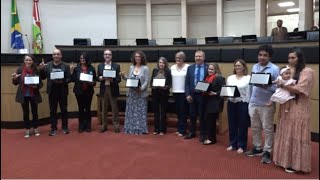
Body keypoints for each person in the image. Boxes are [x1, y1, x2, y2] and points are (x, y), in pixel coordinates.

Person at [273, 48, 314, 173]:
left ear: (300, 58)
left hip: (299, 107)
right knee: (286, 132)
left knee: (296, 134)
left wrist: (283, 85)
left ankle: (296, 164)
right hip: (286, 106)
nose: (290, 60)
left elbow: (300, 89)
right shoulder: (288, 70)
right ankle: (284, 160)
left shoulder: (308, 71)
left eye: (293, 58)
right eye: (289, 58)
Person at [245, 44, 280, 164]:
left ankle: (267, 151)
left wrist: (267, 86)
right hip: (254, 102)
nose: (262, 57)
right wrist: (249, 100)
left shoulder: (275, 69)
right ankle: (257, 147)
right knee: (255, 127)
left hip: (267, 104)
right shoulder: (255, 66)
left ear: (270, 56)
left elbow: (278, 88)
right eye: (260, 55)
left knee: (268, 128)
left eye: (265, 55)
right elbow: (252, 84)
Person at [39, 48, 71, 136]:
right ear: (52, 56)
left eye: (58, 54)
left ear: (61, 55)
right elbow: (43, 77)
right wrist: (41, 69)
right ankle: (53, 128)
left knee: (64, 110)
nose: (56, 56)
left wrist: (63, 81)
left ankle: (65, 127)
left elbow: (69, 78)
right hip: (52, 91)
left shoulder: (66, 66)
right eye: (54, 54)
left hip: (62, 91)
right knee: (53, 111)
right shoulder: (48, 65)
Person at [12, 54, 43, 138]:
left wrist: (35, 86)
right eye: (26, 60)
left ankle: (36, 128)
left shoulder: (36, 70)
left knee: (34, 112)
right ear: (24, 61)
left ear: (33, 61)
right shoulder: (20, 69)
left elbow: (40, 84)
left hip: (33, 94)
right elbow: (15, 83)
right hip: (23, 94)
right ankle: (27, 129)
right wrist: (14, 78)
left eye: (30, 60)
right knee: (26, 113)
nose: (28, 62)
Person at [120, 51, 149, 135]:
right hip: (132, 93)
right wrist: (123, 76)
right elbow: (130, 79)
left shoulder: (145, 68)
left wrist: (141, 89)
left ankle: (140, 129)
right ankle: (130, 128)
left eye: (139, 57)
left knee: (140, 112)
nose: (137, 58)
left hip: (141, 93)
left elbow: (146, 81)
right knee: (131, 112)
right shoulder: (131, 67)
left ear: (142, 58)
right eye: (136, 57)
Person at [226, 59, 251, 153]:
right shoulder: (230, 78)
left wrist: (248, 103)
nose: (237, 67)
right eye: (236, 66)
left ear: (244, 67)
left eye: (239, 66)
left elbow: (249, 92)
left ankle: (242, 145)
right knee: (232, 124)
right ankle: (233, 143)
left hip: (243, 102)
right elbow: (228, 90)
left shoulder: (248, 78)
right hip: (231, 102)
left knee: (242, 124)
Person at [184, 50, 209, 142]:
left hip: (203, 95)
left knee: (203, 116)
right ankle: (192, 132)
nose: (198, 58)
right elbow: (186, 83)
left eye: (200, 56)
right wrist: (187, 95)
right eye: (196, 56)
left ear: (204, 58)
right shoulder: (190, 68)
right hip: (192, 95)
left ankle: (203, 134)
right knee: (192, 115)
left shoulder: (208, 67)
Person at [70, 52, 97, 133]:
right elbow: (73, 80)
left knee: (88, 109)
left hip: (88, 91)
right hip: (79, 91)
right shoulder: (76, 68)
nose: (82, 60)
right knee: (81, 109)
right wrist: (71, 71)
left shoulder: (91, 68)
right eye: (81, 58)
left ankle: (88, 126)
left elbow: (94, 80)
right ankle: (81, 126)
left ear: (87, 59)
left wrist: (92, 82)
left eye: (83, 58)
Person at [97, 49, 121, 133]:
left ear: (111, 56)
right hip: (104, 89)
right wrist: (100, 78)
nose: (107, 56)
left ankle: (116, 126)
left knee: (114, 108)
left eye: (109, 54)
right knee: (103, 108)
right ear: (104, 56)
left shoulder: (116, 66)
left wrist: (112, 80)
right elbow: (97, 77)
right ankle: (104, 125)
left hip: (112, 88)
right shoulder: (100, 66)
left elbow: (119, 79)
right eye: (106, 54)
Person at [202, 63, 225, 145]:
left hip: (215, 102)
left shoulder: (219, 78)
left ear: (216, 70)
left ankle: (212, 139)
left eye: (212, 69)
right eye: (209, 69)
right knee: (208, 120)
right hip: (207, 101)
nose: (210, 70)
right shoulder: (207, 77)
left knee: (211, 121)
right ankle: (210, 137)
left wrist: (215, 93)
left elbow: (223, 90)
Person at [150, 57, 172, 135]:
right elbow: (151, 82)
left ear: (165, 64)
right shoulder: (155, 70)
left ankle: (162, 129)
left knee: (163, 112)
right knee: (156, 112)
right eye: (160, 62)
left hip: (164, 94)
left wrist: (164, 87)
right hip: (155, 93)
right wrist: (154, 86)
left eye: (163, 63)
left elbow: (169, 84)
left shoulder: (168, 71)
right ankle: (156, 129)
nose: (161, 64)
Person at [171, 51, 189, 137]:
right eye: (176, 58)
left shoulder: (187, 67)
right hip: (175, 92)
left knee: (183, 112)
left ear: (183, 59)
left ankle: (183, 130)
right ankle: (179, 129)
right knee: (178, 112)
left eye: (180, 58)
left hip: (184, 93)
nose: (178, 59)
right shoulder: (172, 67)